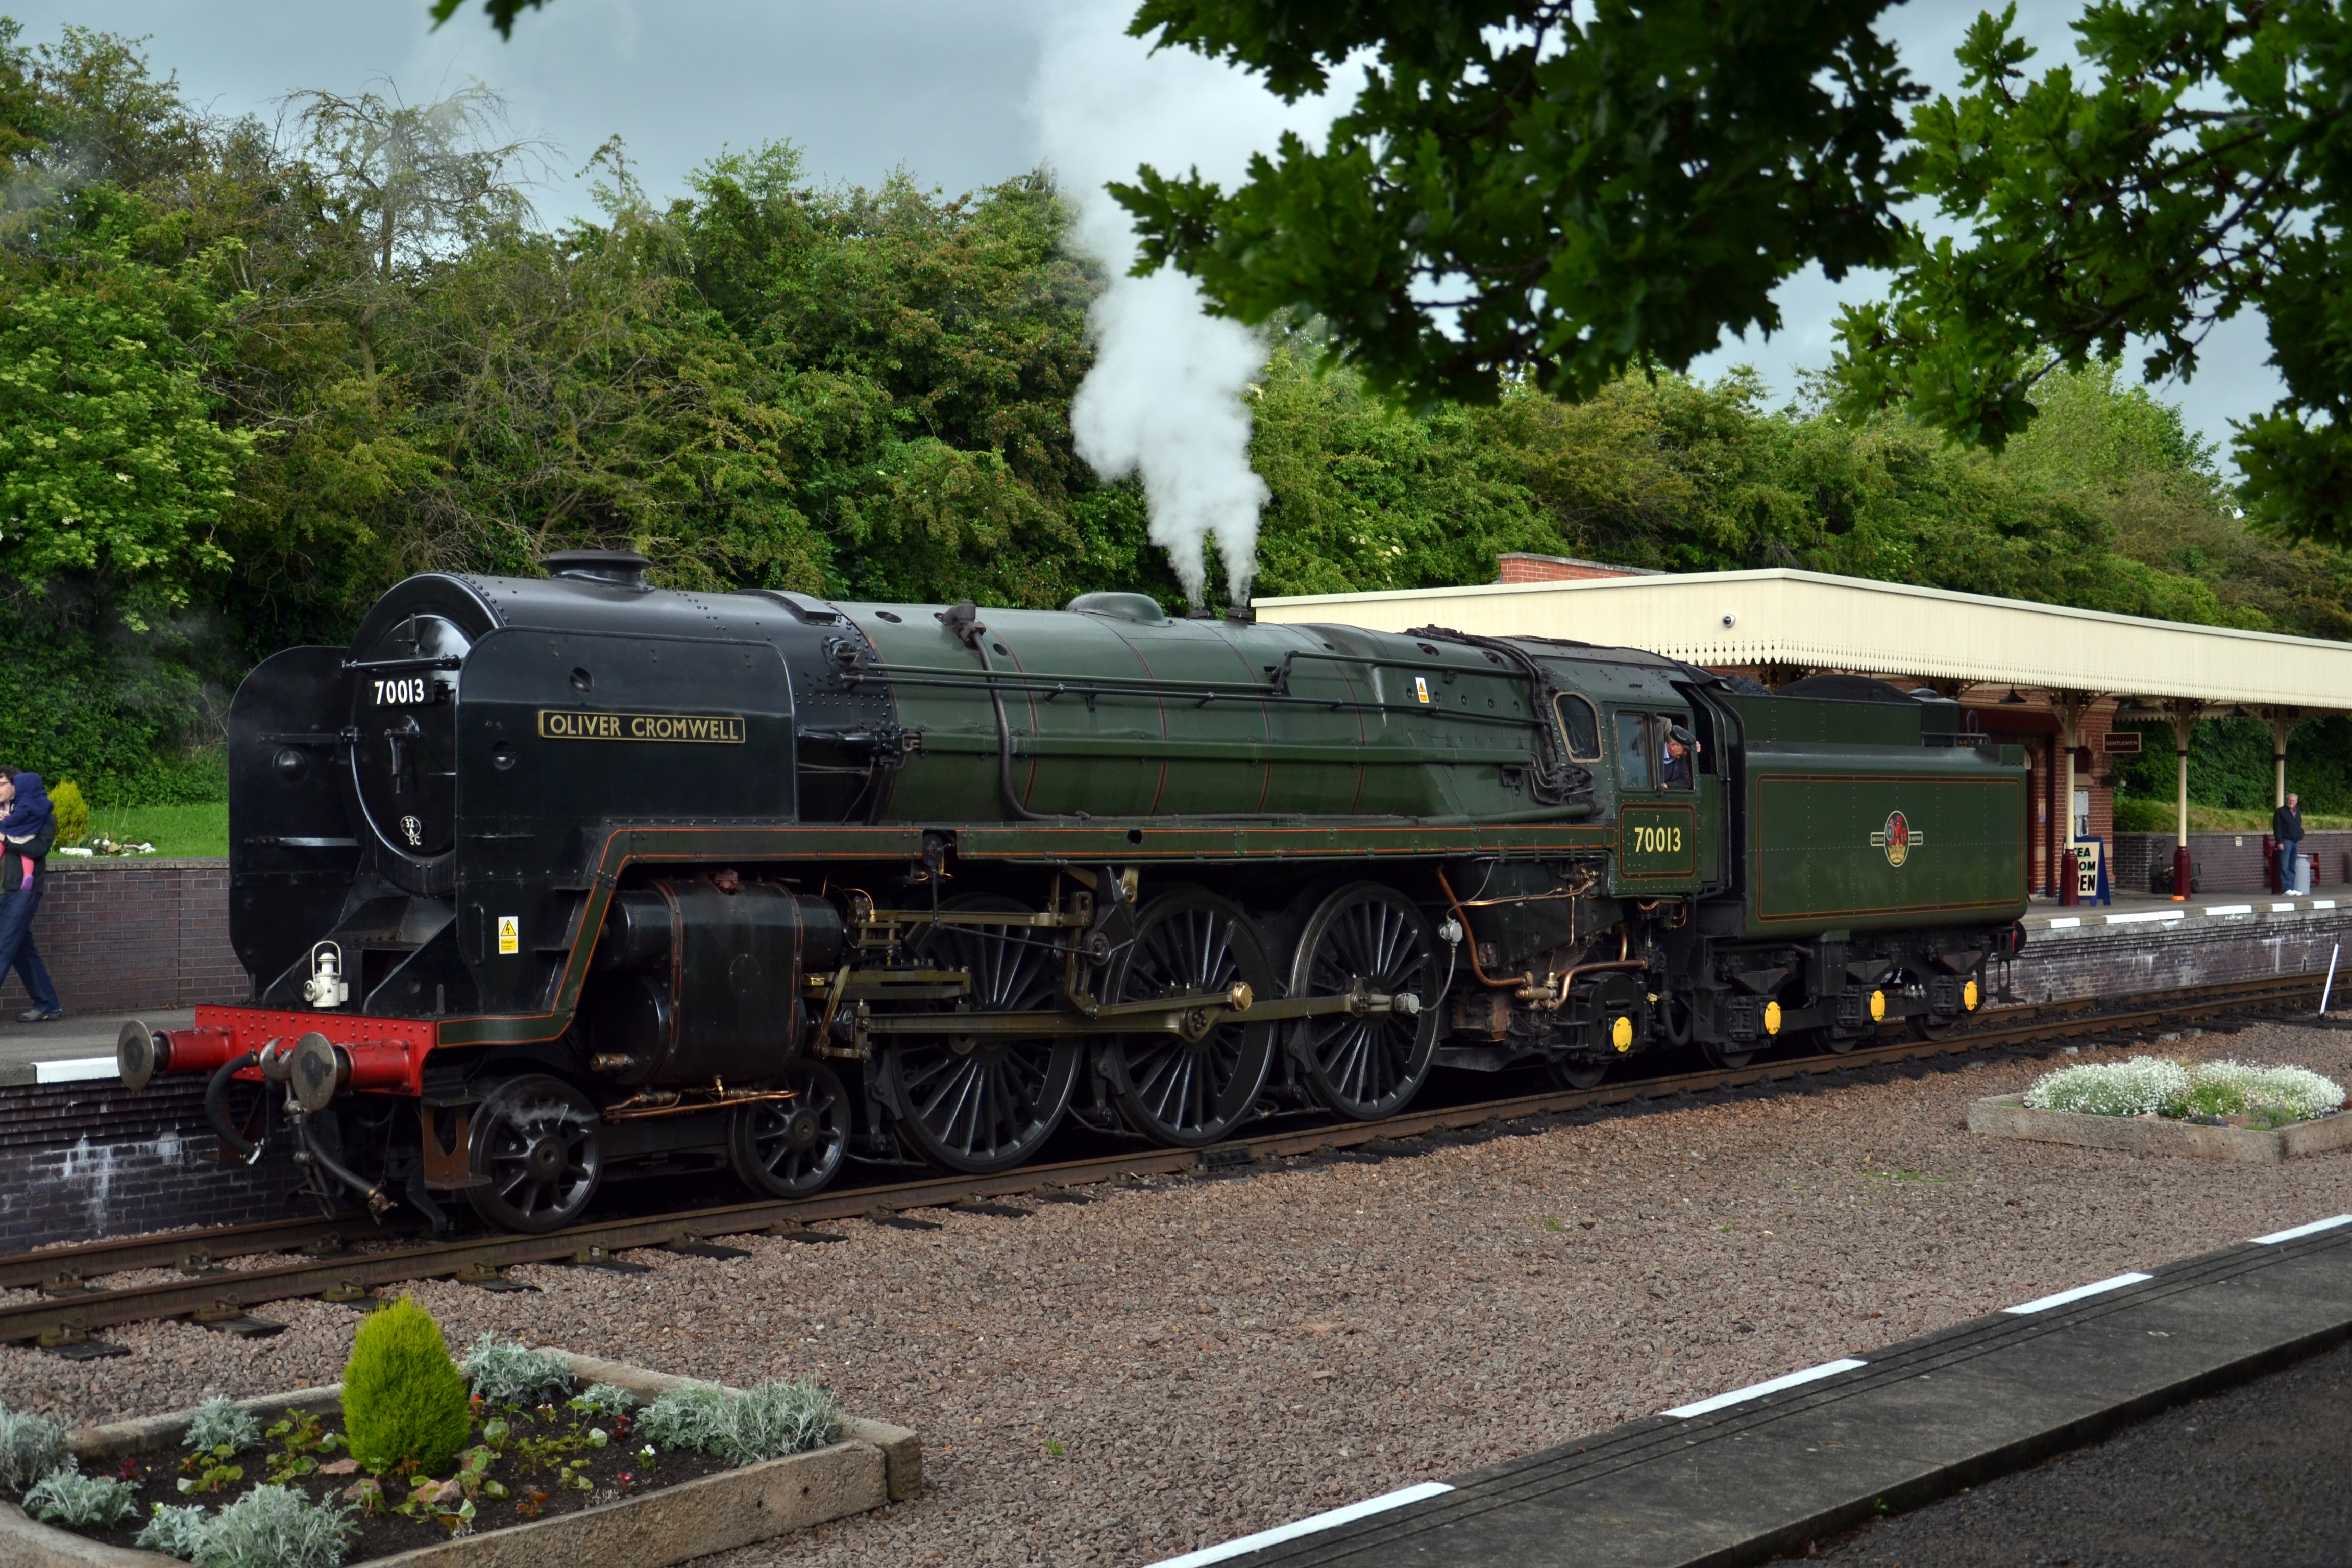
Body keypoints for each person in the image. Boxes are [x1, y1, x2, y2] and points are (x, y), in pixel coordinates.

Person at [0, 767, 63, 1022]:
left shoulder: (42, 818)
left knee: (3, 947)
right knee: (22, 950)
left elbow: (38, 848)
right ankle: (48, 1004)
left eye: (2, 783)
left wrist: (7, 839)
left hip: (21, 892)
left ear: (17, 787)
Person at [2273, 792, 2306, 896]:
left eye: (2293, 801)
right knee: (2285, 864)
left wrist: (2301, 834)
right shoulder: (2280, 812)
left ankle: (2291, 888)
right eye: (2289, 801)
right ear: (2286, 801)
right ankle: (2285, 888)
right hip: (2286, 841)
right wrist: (2280, 842)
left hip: (2295, 841)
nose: (2291, 803)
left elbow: (2299, 825)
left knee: (2292, 865)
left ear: (2296, 802)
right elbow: (2277, 827)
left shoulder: (2298, 813)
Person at [1659, 725, 1696, 789]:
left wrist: (1667, 785)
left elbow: (1686, 781)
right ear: (1673, 746)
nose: (1686, 753)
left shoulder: (1681, 758)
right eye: (1684, 750)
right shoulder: (1653, 750)